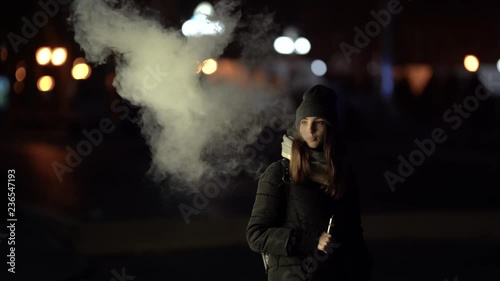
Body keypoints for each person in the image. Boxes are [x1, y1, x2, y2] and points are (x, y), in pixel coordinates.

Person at [246, 84, 374, 281]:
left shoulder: (343, 173)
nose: (310, 129)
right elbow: (256, 235)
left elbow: (354, 236)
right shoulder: (280, 173)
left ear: (330, 126)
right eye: (304, 122)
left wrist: (363, 270)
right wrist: (312, 240)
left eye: (318, 122)